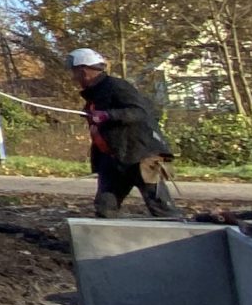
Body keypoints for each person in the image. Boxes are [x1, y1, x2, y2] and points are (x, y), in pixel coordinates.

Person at [69, 49, 178, 218]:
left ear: (84, 71)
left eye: (74, 73)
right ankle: (107, 241)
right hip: (114, 159)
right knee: (105, 208)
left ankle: (180, 236)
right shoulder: (94, 93)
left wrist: (107, 115)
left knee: (160, 207)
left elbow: (139, 112)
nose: (73, 77)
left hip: (141, 156)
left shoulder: (116, 86)